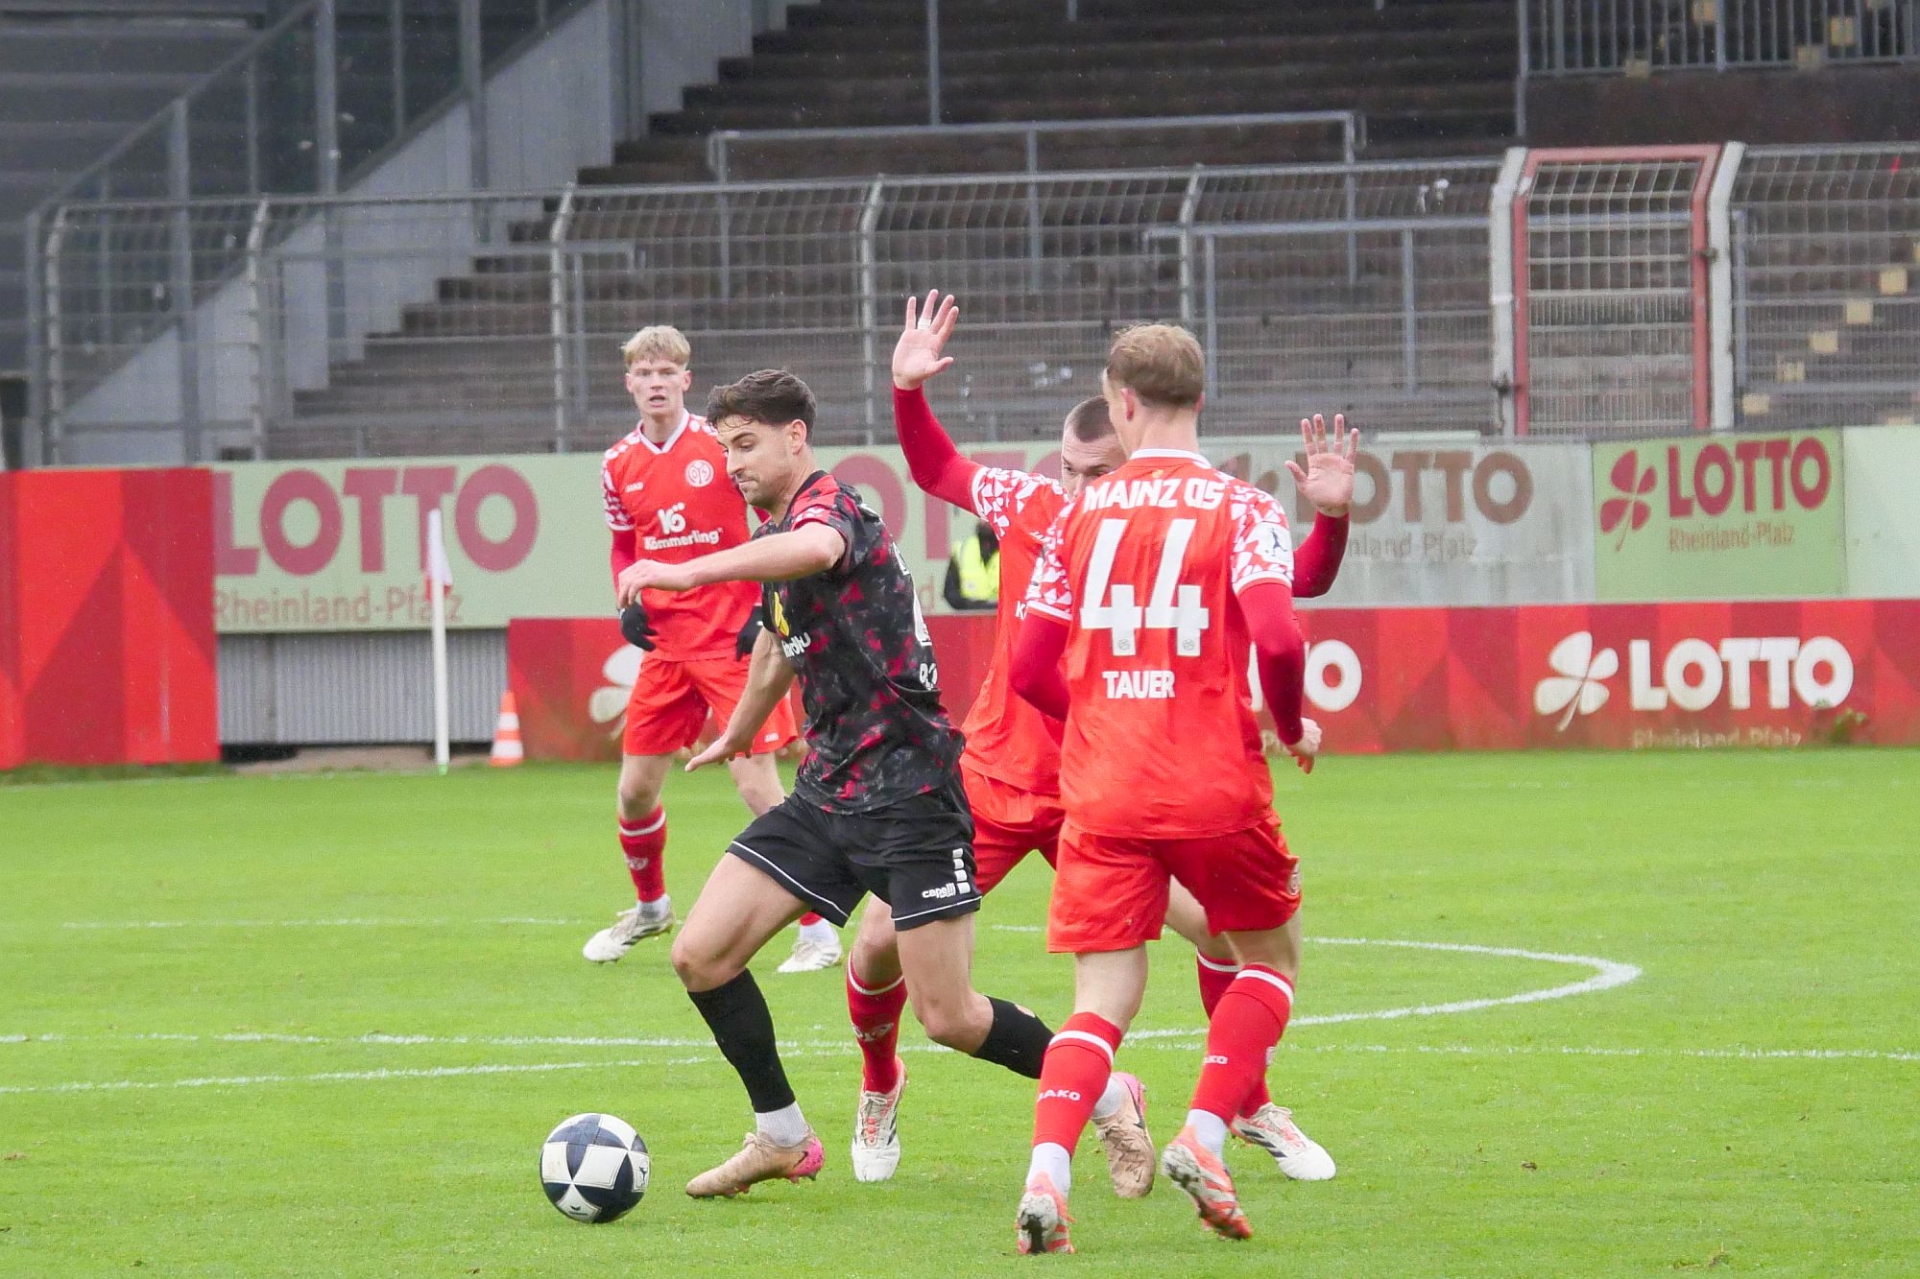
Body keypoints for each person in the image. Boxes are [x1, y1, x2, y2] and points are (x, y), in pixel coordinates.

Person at [844, 291, 1357, 1196]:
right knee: (879, 943)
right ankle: (880, 1080)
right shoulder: (1041, 505)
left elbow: (1292, 583)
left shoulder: (1138, 515)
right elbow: (936, 467)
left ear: (1132, 438)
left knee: (1224, 938)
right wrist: (907, 389)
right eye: (1071, 470)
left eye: (1097, 471)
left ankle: (1246, 1103)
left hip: (1112, 784)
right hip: (1005, 777)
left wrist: (1333, 518)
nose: (1078, 487)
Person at [619, 368, 1063, 1199]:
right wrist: (740, 731)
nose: (733, 464)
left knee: (950, 1016)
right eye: (725, 449)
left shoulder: (834, 510)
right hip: (827, 794)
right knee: (700, 954)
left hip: (912, 794)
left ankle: (1104, 1091)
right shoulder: (776, 533)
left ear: (796, 437)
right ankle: (782, 1135)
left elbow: (817, 551)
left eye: (746, 445)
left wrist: (686, 572)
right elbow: (776, 642)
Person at [1007, 322, 1320, 1253]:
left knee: (1100, 999)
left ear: (1124, 403)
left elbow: (1027, 668)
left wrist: (1106, 713)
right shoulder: (1244, 508)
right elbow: (1280, 638)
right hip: (1212, 779)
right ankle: (1206, 1136)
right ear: (1200, 400)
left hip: (1104, 785)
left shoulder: (1077, 515)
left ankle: (1047, 1176)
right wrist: (1289, 719)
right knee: (1271, 959)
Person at [588, 326, 839, 974]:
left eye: (666, 371)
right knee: (634, 791)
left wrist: (763, 609)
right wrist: (627, 596)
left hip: (733, 641)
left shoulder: (720, 447)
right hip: (666, 647)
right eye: (645, 373)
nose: (656, 383)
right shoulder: (617, 463)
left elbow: (771, 521)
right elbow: (624, 545)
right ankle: (651, 906)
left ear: (685, 379)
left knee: (758, 786)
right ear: (629, 383)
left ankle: (818, 931)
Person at [942, 520, 1000, 611]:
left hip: (1003, 616)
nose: (986, 520)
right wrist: (971, 605)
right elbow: (950, 593)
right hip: (971, 615)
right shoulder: (962, 549)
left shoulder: (1011, 550)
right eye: (983, 516)